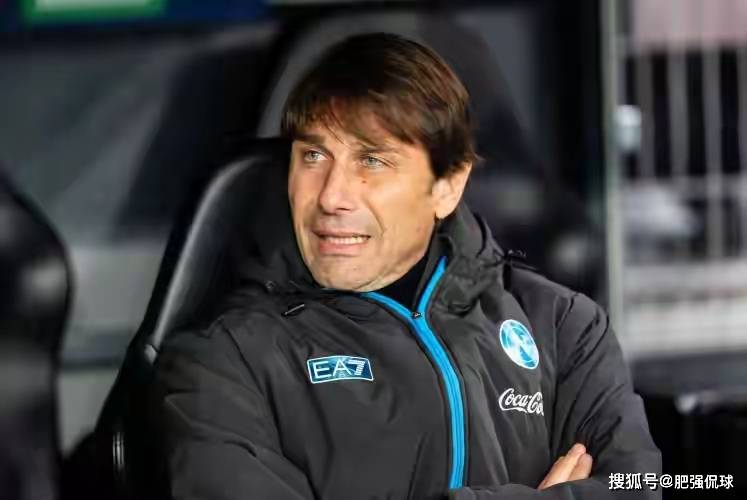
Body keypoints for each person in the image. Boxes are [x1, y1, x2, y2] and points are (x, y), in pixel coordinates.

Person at [153, 33, 661, 499]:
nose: (330, 196)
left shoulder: (563, 327)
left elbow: (640, 484)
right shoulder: (224, 362)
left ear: (448, 185)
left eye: (371, 161)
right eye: (313, 157)